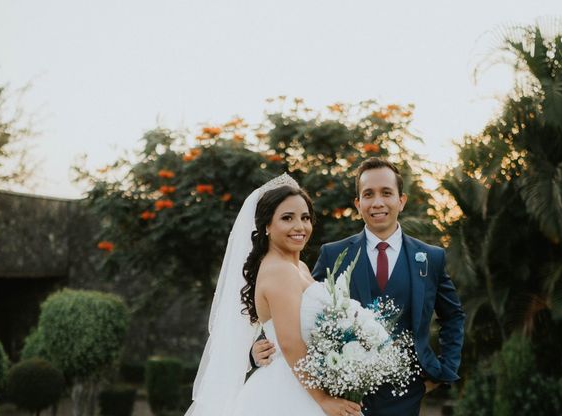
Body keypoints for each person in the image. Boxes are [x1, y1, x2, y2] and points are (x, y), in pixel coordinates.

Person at [253, 158, 465, 416]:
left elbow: (453, 316)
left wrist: (443, 371)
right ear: (358, 203)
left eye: (386, 193)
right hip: (342, 395)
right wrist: (257, 349)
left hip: (405, 393)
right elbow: (294, 313)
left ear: (401, 200)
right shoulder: (333, 254)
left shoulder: (431, 258)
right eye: (368, 194)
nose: (377, 202)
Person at [186, 174, 362, 416]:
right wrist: (323, 400)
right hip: (288, 392)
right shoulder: (279, 270)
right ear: (267, 226)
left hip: (305, 381)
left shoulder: (298, 268)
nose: (299, 227)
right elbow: (290, 343)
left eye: (305, 218)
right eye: (287, 218)